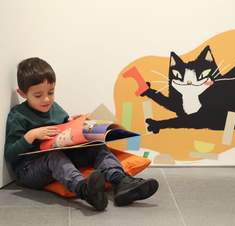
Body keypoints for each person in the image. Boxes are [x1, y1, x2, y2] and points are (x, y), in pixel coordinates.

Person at [4, 57, 159, 211]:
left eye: (51, 92)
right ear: (22, 93)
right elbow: (10, 154)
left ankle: (121, 181)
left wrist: (75, 122)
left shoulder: (54, 107)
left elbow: (64, 125)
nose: (46, 99)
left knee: (96, 145)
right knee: (53, 158)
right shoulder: (18, 116)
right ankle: (85, 190)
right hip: (30, 170)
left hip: (61, 153)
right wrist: (30, 136)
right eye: (38, 95)